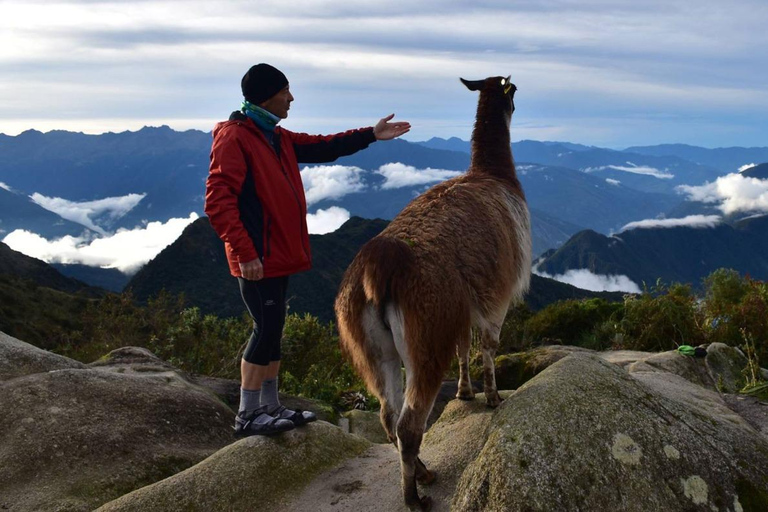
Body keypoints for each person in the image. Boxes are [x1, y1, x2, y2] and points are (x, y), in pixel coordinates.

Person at [204, 63, 411, 437]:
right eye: (286, 91)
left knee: (274, 329)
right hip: (258, 258)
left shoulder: (276, 137)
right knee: (264, 329)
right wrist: (245, 251)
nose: (292, 98)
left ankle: (269, 405)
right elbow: (218, 202)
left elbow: (323, 146)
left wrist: (371, 135)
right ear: (269, 95)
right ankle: (247, 414)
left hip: (277, 255)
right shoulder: (235, 137)